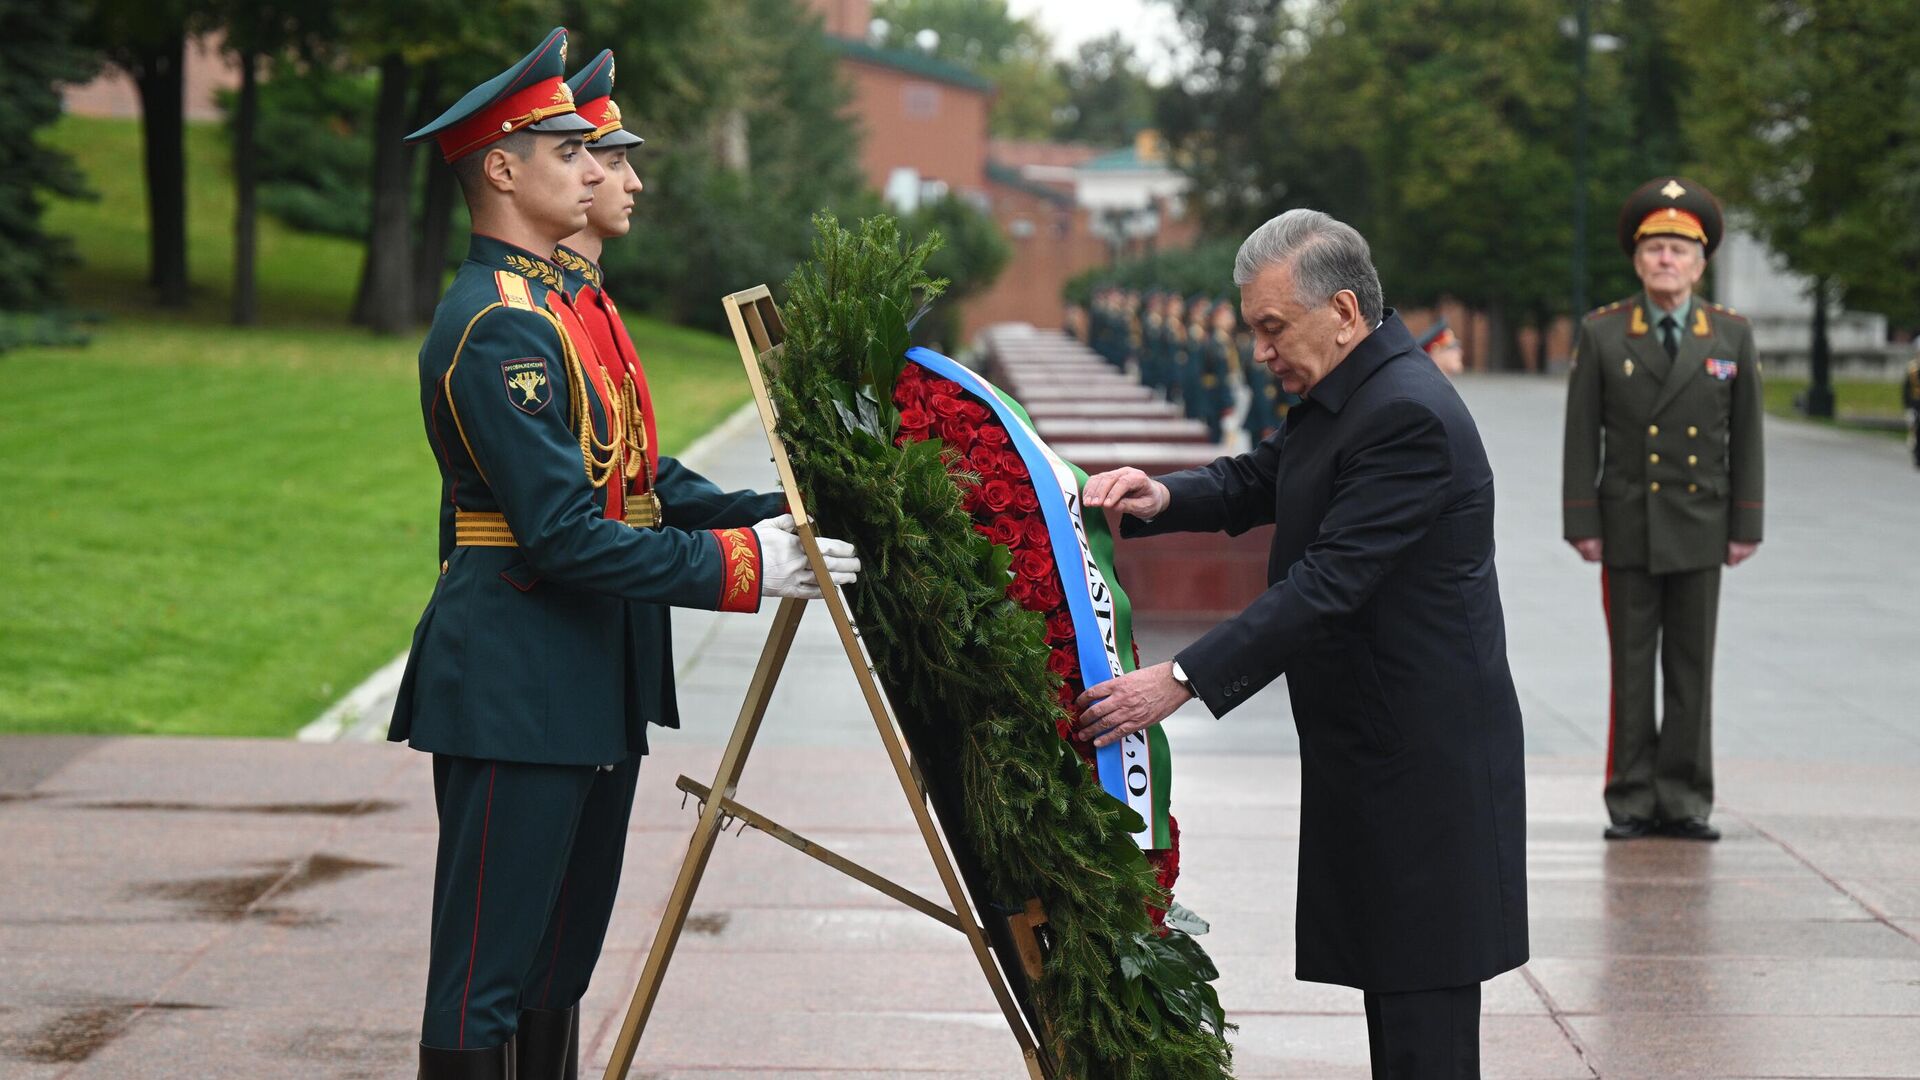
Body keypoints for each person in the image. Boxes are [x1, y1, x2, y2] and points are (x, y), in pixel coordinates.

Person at [389, 30, 861, 1079]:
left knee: (556, 967)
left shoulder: (554, 309)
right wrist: (746, 570)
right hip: (517, 674)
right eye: (570, 152)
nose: (600, 170)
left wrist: (773, 515)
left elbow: (637, 482)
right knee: (486, 976)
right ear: (504, 170)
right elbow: (560, 534)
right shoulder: (498, 330)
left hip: (580, 671)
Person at [1077, 209, 1528, 1078]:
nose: (1260, 351)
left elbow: (1327, 586)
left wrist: (1177, 679)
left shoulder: (1407, 415)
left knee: (1423, 1015)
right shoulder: (1357, 387)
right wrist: (1161, 497)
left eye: (1272, 328)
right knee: (1394, 990)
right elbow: (1263, 475)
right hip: (1377, 742)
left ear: (1345, 310)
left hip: (1425, 759)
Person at [1561, 176, 1764, 843]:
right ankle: (1631, 798)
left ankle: (1684, 798)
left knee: (1691, 667)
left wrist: (1746, 523)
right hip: (1628, 526)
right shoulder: (1604, 334)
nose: (1667, 260)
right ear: (1638, 261)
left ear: (1701, 262)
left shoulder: (1730, 337)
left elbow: (1749, 436)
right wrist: (1583, 522)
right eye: (1655, 250)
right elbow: (1580, 434)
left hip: (1703, 526)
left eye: (1680, 249)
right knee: (1630, 667)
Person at [1903, 346, 1920, 469]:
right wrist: (1907, 407)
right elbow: (1906, 389)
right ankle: (1917, 455)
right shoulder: (1912, 368)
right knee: (1916, 430)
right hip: (1915, 403)